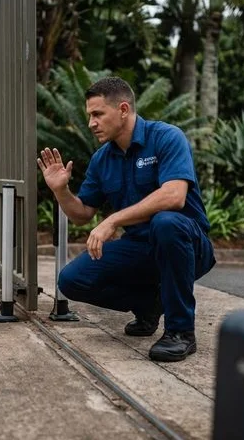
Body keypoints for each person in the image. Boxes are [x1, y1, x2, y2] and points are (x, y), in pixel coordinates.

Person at [36, 76, 216, 362]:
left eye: (97, 114)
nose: (91, 123)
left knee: (166, 222)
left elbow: (174, 195)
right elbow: (82, 214)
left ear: (123, 109)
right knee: (71, 280)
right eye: (89, 116)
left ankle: (180, 332)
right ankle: (149, 304)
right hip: (140, 249)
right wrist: (61, 191)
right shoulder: (101, 159)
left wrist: (113, 220)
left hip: (187, 245)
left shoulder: (166, 137)